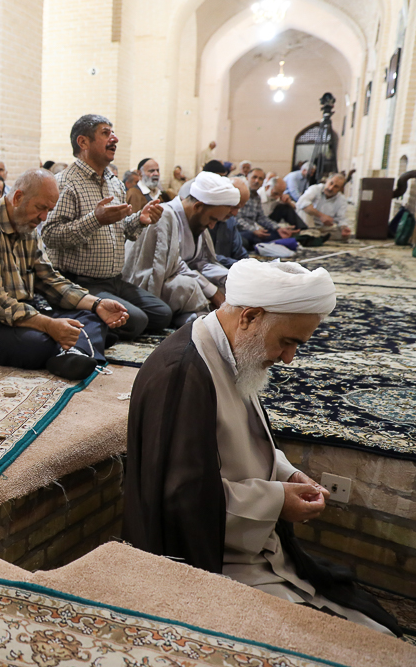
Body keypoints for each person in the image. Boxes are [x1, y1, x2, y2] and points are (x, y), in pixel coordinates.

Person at [123, 259, 399, 636]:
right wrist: (276, 501)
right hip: (215, 561)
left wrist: (287, 474)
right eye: (287, 342)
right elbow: (181, 500)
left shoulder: (229, 348)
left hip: (250, 543)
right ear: (250, 317)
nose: (288, 358)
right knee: (355, 640)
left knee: (374, 623)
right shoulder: (183, 374)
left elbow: (244, 437)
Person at [0, 169, 128, 380]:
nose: (44, 218)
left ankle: (74, 351)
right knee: (37, 344)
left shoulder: (26, 225)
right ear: (18, 197)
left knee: (91, 315)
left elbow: (49, 279)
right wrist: (48, 325)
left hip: (20, 312)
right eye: (41, 208)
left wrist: (96, 303)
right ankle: (82, 345)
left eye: (49, 210)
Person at [41, 114, 170, 340]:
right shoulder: (65, 182)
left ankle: (98, 321)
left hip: (113, 281)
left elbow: (120, 231)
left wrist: (140, 219)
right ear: (83, 142)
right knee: (137, 321)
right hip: (78, 282)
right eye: (105, 133)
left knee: (162, 314)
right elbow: (50, 235)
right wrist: (95, 220)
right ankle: (78, 315)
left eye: (113, 132)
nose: (115, 138)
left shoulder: (114, 183)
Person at [123, 171, 238, 326]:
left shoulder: (198, 222)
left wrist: (229, 277)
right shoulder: (164, 215)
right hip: (149, 286)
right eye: (212, 219)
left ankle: (196, 317)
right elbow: (170, 267)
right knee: (187, 287)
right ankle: (198, 317)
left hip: (181, 281)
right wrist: (212, 292)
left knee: (227, 284)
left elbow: (202, 262)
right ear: (198, 206)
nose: (212, 226)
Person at [238, 171, 300, 247]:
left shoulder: (256, 197)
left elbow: (261, 218)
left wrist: (278, 228)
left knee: (278, 234)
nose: (257, 181)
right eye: (254, 177)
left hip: (253, 230)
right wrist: (254, 230)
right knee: (248, 239)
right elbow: (236, 219)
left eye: (260, 179)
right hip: (239, 230)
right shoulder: (240, 193)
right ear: (247, 178)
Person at [206, 177, 251, 272]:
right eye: (233, 207)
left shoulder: (230, 221)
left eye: (239, 208)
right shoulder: (204, 220)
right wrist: (240, 265)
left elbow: (240, 253)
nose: (235, 213)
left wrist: (252, 266)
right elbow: (206, 257)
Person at [296, 173, 351, 240]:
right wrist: (321, 216)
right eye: (331, 183)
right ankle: (312, 234)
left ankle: (312, 235)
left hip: (323, 227)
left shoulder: (341, 199)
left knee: (343, 235)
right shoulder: (315, 189)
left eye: (336, 187)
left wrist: (344, 227)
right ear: (327, 181)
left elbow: (341, 218)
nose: (331, 188)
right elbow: (302, 202)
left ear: (341, 189)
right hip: (308, 222)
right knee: (303, 209)